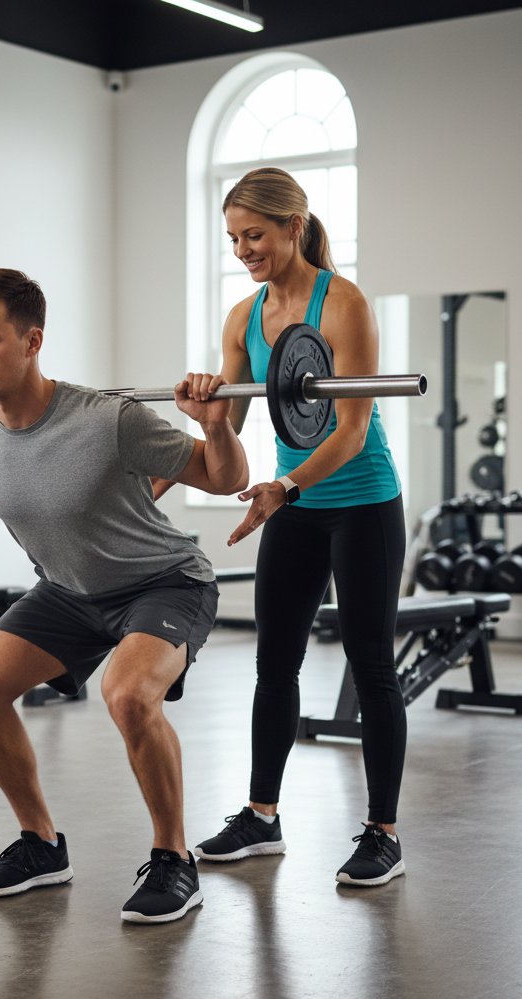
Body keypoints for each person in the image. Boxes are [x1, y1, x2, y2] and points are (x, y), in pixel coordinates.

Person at [0, 268, 248, 923]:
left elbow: (224, 478)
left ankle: (174, 859)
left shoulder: (109, 419)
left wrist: (215, 426)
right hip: (68, 592)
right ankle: (41, 845)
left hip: (163, 582)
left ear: (32, 342)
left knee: (128, 694)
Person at [189, 167, 407, 886]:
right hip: (295, 505)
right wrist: (207, 411)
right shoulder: (242, 318)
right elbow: (231, 435)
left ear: (293, 225)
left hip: (360, 500)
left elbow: (350, 428)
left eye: (255, 234)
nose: (243, 249)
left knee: (372, 665)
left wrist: (283, 485)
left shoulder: (341, 303)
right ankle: (261, 817)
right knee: (273, 664)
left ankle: (382, 833)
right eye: (233, 238)